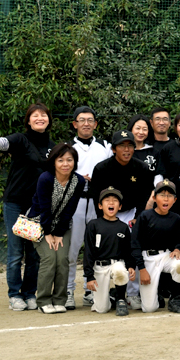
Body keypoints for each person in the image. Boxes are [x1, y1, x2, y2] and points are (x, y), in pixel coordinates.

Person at [0, 102, 55, 311]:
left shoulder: (53, 147)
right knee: (15, 253)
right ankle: (14, 295)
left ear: (49, 120)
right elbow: (4, 142)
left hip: (37, 206)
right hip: (15, 203)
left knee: (33, 255)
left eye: (43, 115)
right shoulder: (20, 139)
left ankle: (29, 294)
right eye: (35, 115)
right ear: (28, 121)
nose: (40, 118)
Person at [89, 130, 156, 310]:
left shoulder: (141, 167)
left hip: (131, 213)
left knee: (133, 251)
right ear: (113, 149)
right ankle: (96, 290)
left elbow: (145, 195)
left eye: (130, 146)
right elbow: (96, 196)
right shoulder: (102, 168)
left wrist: (138, 217)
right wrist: (104, 220)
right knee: (106, 250)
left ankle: (132, 293)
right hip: (107, 213)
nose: (126, 150)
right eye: (122, 146)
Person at [27, 143, 87, 314]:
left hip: (62, 226)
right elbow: (43, 208)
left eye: (69, 160)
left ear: (75, 162)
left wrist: (59, 233)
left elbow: (70, 209)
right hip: (39, 224)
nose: (65, 164)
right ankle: (44, 300)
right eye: (61, 160)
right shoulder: (45, 178)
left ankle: (60, 299)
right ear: (53, 162)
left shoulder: (79, 181)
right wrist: (48, 233)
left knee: (62, 260)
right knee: (49, 259)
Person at [67, 106, 112, 309]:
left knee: (96, 247)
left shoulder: (105, 146)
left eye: (90, 120)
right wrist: (77, 178)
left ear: (95, 124)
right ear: (75, 124)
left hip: (97, 202)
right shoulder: (68, 147)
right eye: (82, 120)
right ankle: (68, 290)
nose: (86, 123)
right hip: (75, 201)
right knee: (72, 248)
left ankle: (90, 289)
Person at [131, 180, 180, 313]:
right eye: (162, 195)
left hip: (167, 255)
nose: (166, 199)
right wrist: (142, 269)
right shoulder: (145, 216)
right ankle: (156, 295)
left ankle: (175, 298)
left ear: (175, 200)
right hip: (148, 258)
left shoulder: (176, 218)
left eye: (169, 196)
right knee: (149, 308)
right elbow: (135, 243)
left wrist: (177, 249)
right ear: (155, 198)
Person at [83, 187, 136, 316]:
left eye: (115, 200)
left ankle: (121, 299)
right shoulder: (93, 225)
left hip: (117, 263)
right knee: (101, 309)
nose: (111, 202)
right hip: (99, 266)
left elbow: (128, 250)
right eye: (107, 200)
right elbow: (88, 251)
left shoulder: (123, 227)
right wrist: (89, 276)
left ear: (120, 206)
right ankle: (112, 297)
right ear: (100, 206)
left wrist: (130, 265)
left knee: (119, 270)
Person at [128, 115, 164, 185]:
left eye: (144, 129)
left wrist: (156, 190)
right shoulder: (124, 152)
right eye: (138, 128)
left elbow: (158, 174)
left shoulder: (154, 152)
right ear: (131, 129)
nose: (141, 132)